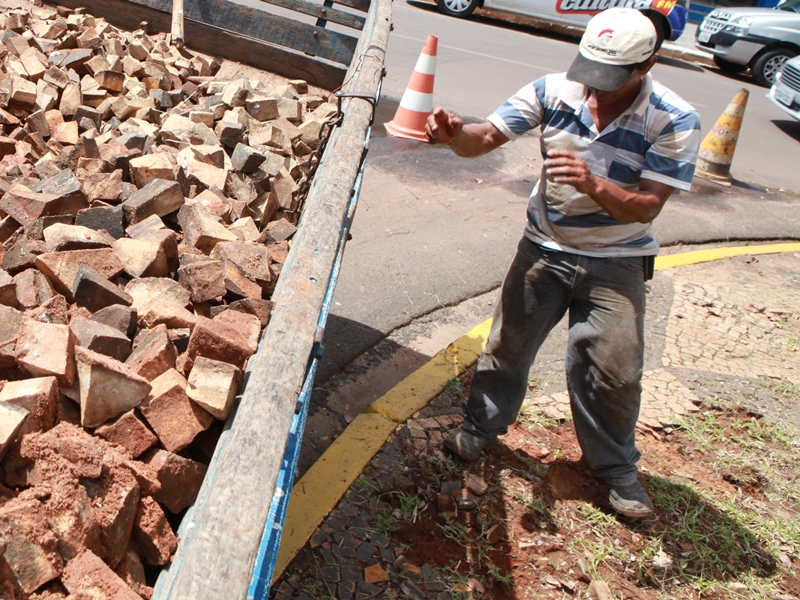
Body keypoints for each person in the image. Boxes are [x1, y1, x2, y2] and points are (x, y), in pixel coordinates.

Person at [425, 7, 701, 518]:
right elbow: (484, 138)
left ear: (648, 65)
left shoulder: (673, 117)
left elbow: (647, 206)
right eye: (590, 72)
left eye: (610, 80)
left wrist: (592, 183)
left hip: (617, 258)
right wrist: (453, 136)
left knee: (613, 372)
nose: (594, 90)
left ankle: (616, 469)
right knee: (507, 348)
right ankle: (479, 428)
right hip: (544, 246)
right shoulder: (554, 90)